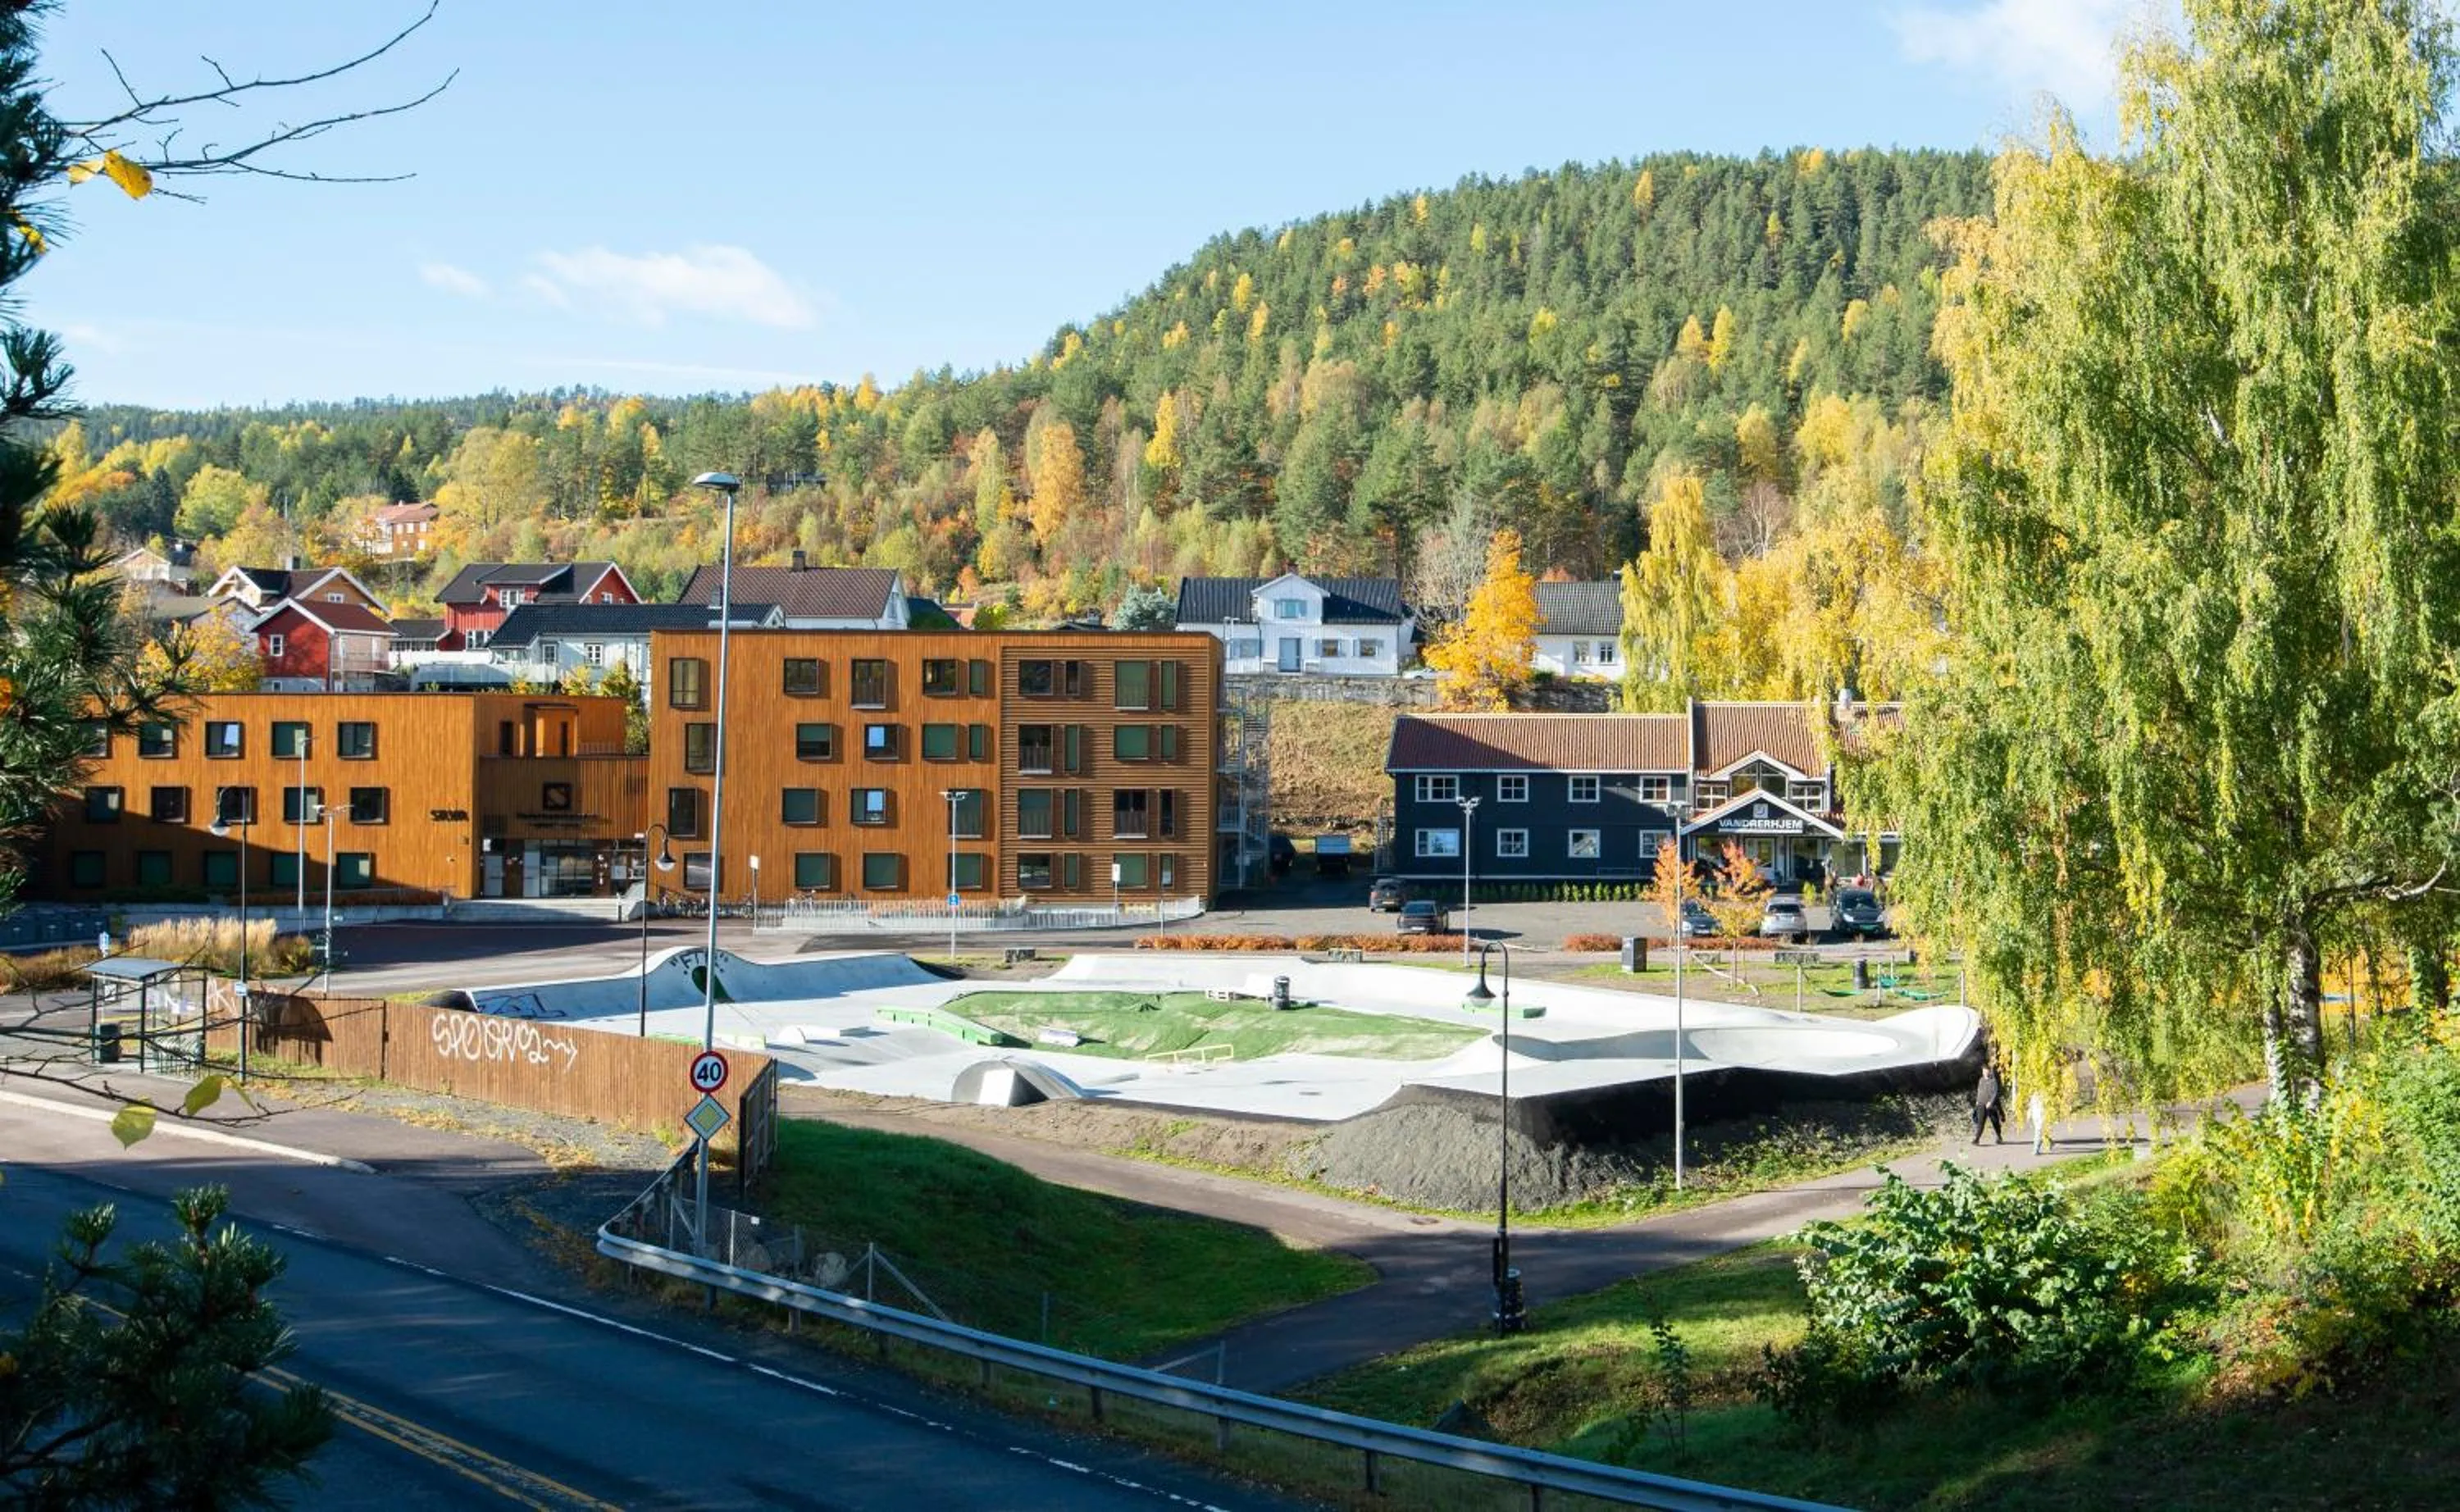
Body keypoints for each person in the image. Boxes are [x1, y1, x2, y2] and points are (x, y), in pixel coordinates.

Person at [1972, 1060, 2005, 1145]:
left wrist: (1991, 1102)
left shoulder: (1993, 1081)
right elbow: (1979, 1091)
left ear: (1989, 1071)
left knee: (1995, 1121)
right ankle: (1977, 1139)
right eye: (1983, 1071)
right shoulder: (1981, 1080)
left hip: (1991, 1105)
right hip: (1981, 1104)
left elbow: (1995, 1092)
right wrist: (1977, 1101)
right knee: (1980, 1122)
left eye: (1986, 1070)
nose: (1985, 1072)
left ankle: (1999, 1137)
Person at [2027, 1089, 2050, 1154]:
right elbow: (2031, 1106)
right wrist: (2029, 1115)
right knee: (2041, 1131)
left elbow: (2031, 1106)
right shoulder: (2036, 1095)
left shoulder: (2037, 1095)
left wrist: (2029, 1115)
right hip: (2038, 1116)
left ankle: (2036, 1149)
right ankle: (2047, 1143)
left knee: (2039, 1131)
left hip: (2040, 1116)